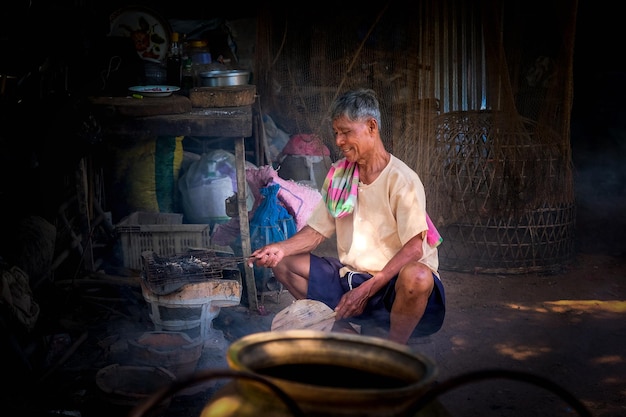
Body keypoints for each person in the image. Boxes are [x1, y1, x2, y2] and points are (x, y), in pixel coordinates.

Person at [249, 88, 445, 345]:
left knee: (418, 276)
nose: (339, 141)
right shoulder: (340, 176)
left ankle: (394, 351)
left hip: (394, 284)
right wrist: (278, 248)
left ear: (372, 127)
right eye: (336, 133)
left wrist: (368, 289)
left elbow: (414, 249)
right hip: (353, 277)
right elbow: (316, 231)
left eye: (346, 131)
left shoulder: (402, 180)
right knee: (284, 263)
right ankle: (352, 342)